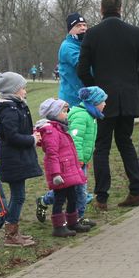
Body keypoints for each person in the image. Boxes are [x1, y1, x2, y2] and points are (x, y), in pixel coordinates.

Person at [77, 0, 139, 209]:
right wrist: (133, 86)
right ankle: (137, 191)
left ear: (101, 9)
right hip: (128, 96)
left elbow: (82, 69)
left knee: (102, 146)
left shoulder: (92, 34)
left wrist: (95, 90)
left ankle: (102, 196)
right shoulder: (135, 33)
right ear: (121, 8)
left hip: (103, 99)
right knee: (126, 142)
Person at [35, 86, 108, 229]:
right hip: (73, 162)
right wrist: (79, 160)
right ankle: (78, 218)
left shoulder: (91, 116)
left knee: (72, 190)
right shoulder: (82, 116)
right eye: (103, 101)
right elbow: (76, 140)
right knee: (79, 191)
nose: (105, 104)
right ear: (94, 102)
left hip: (80, 161)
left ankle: (45, 201)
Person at [0, 69, 41, 248]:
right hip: (13, 159)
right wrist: (32, 139)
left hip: (17, 158)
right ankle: (10, 234)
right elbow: (12, 136)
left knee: (18, 195)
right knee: (18, 196)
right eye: (23, 88)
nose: (25, 91)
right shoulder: (9, 110)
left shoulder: (15, 106)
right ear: (13, 90)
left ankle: (13, 231)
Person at [35, 98, 88, 237]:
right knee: (59, 199)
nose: (67, 114)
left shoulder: (61, 128)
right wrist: (56, 174)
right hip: (61, 173)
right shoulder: (51, 132)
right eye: (64, 111)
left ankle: (72, 222)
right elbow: (52, 155)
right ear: (54, 113)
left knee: (72, 197)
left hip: (68, 170)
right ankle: (58, 226)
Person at [57, 12, 87, 107]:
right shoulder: (67, 47)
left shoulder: (84, 44)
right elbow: (84, 66)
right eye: (78, 26)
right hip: (72, 100)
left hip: (84, 98)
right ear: (70, 30)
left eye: (84, 25)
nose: (83, 28)